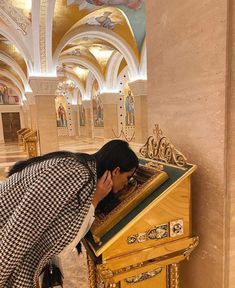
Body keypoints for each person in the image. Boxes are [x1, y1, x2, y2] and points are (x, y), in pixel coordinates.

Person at [0, 139, 138, 288]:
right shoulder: (79, 175)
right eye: (128, 177)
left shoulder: (81, 166)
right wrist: (96, 198)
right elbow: (59, 240)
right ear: (116, 171)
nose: (126, 184)